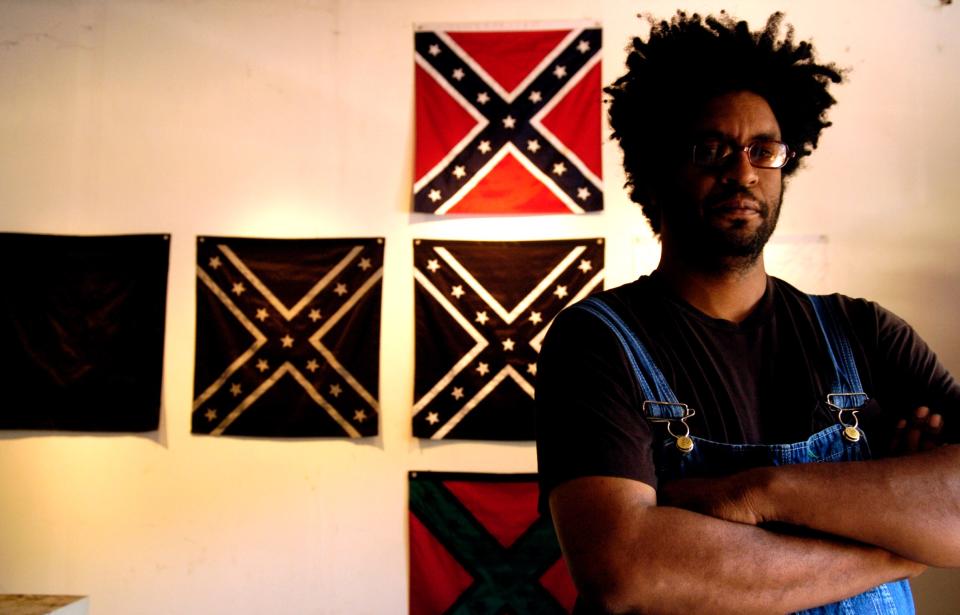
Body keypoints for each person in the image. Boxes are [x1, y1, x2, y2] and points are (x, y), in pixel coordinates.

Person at [535, 11, 960, 615]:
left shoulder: (866, 333)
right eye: (711, 149)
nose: (741, 171)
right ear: (656, 172)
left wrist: (760, 493)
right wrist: (900, 544)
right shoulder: (595, 343)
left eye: (764, 150)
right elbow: (627, 571)